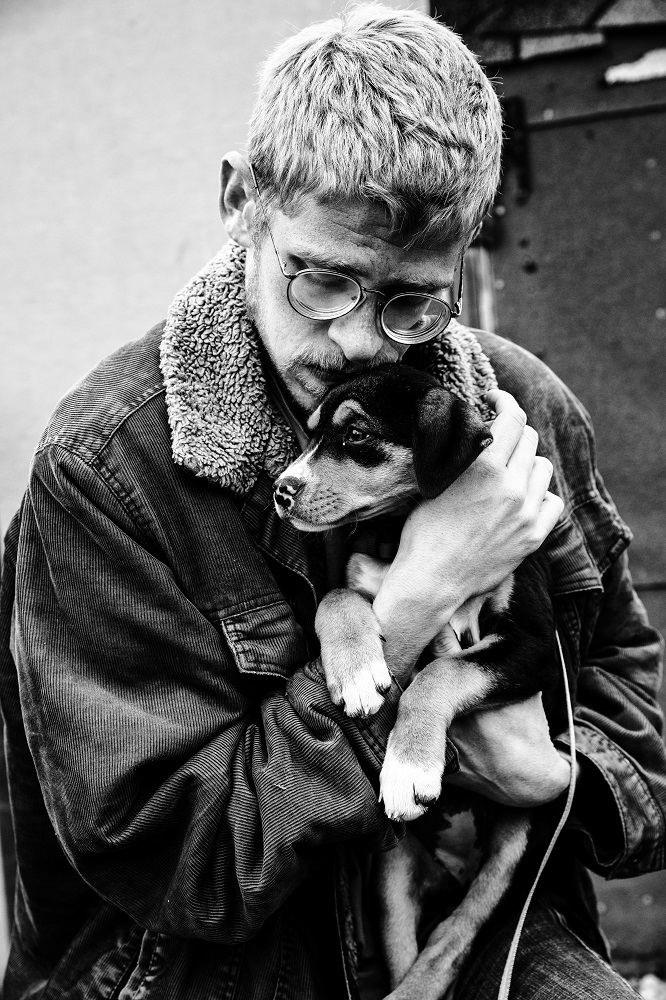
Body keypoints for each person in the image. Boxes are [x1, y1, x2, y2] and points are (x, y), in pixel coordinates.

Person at [0, 6, 664, 999]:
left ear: (465, 260)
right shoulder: (104, 471)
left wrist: (560, 771)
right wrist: (408, 611)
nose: (359, 339)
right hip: (200, 972)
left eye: (412, 301)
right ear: (240, 202)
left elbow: (642, 723)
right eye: (322, 281)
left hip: (476, 933)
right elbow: (178, 861)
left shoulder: (522, 413)